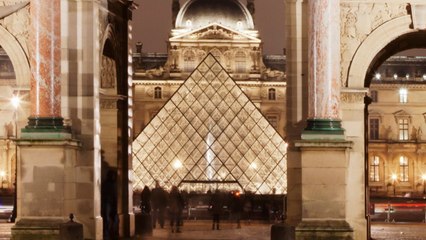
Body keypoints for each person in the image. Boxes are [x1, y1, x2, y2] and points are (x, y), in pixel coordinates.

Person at [101, 170, 118, 240]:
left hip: (109, 203)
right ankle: (109, 233)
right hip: (108, 203)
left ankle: (109, 233)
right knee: (109, 219)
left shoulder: (107, 184)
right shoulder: (112, 184)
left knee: (109, 219)